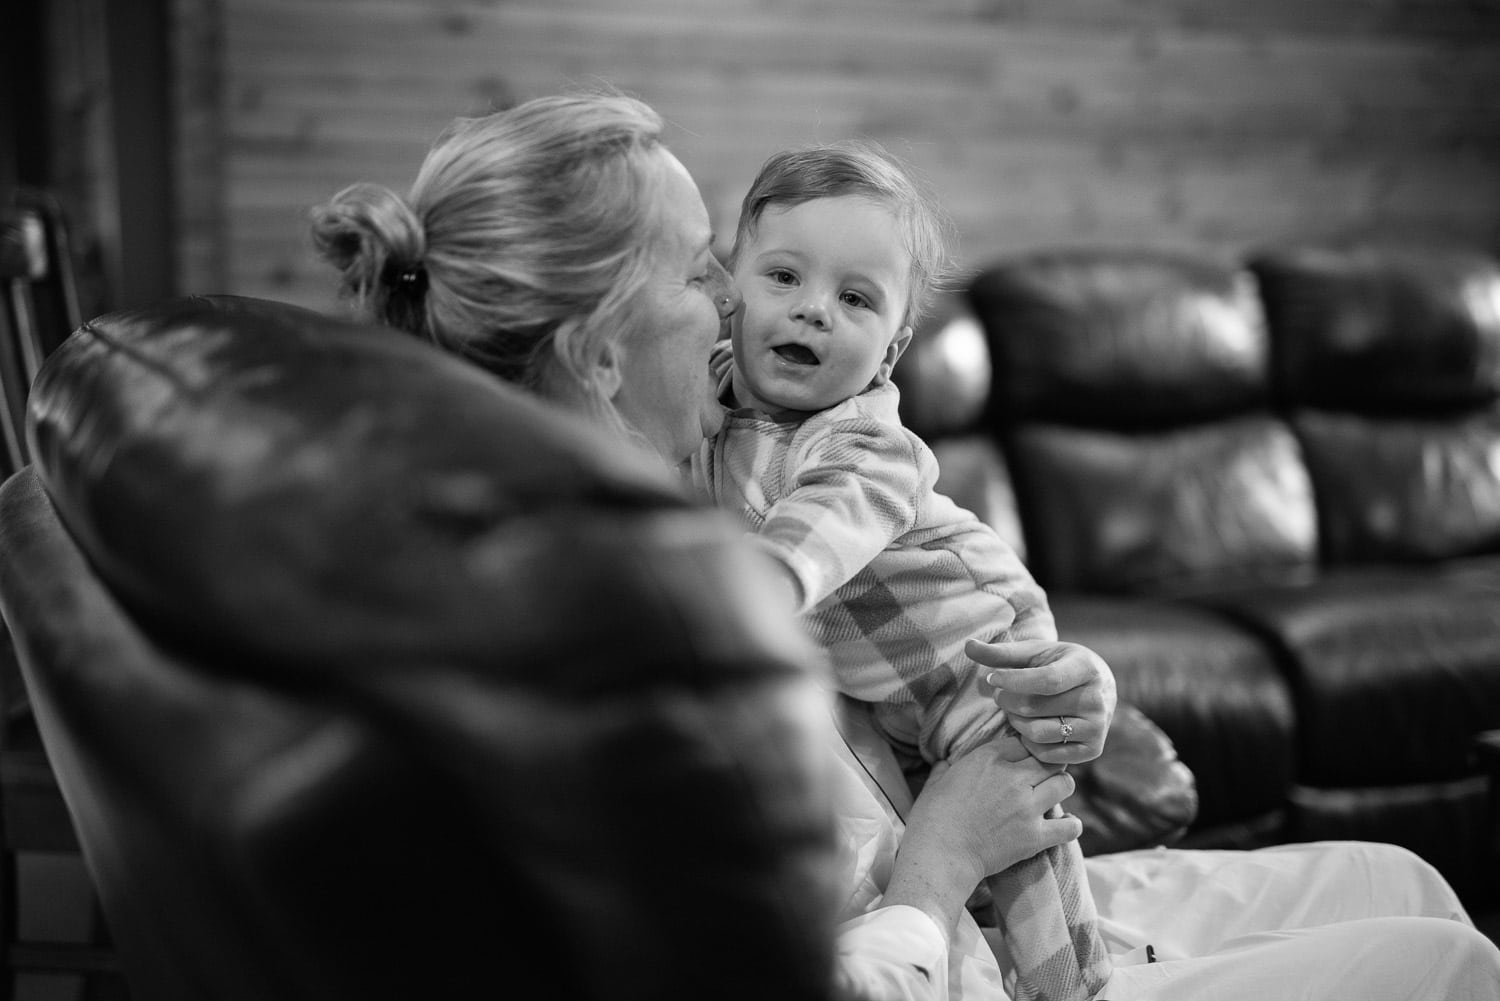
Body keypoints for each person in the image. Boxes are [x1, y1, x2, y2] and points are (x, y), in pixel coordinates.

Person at [309, 88, 1500, 1001]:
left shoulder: (649, 506)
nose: (732, 298)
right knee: (1450, 962)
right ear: (601, 353)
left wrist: (1042, 687)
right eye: (700, 268)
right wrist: (944, 854)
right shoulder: (609, 641)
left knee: (1406, 880)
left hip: (959, 884)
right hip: (943, 942)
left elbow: (875, 654)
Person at [694, 140, 1110, 1001]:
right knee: (942, 847)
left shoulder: (864, 445)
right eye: (782, 278)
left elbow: (816, 537)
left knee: (1034, 867)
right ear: (732, 291)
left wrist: (749, 594)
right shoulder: (714, 389)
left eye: (854, 298)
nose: (813, 312)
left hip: (980, 660)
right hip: (888, 689)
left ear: (891, 349)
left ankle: (1078, 987)